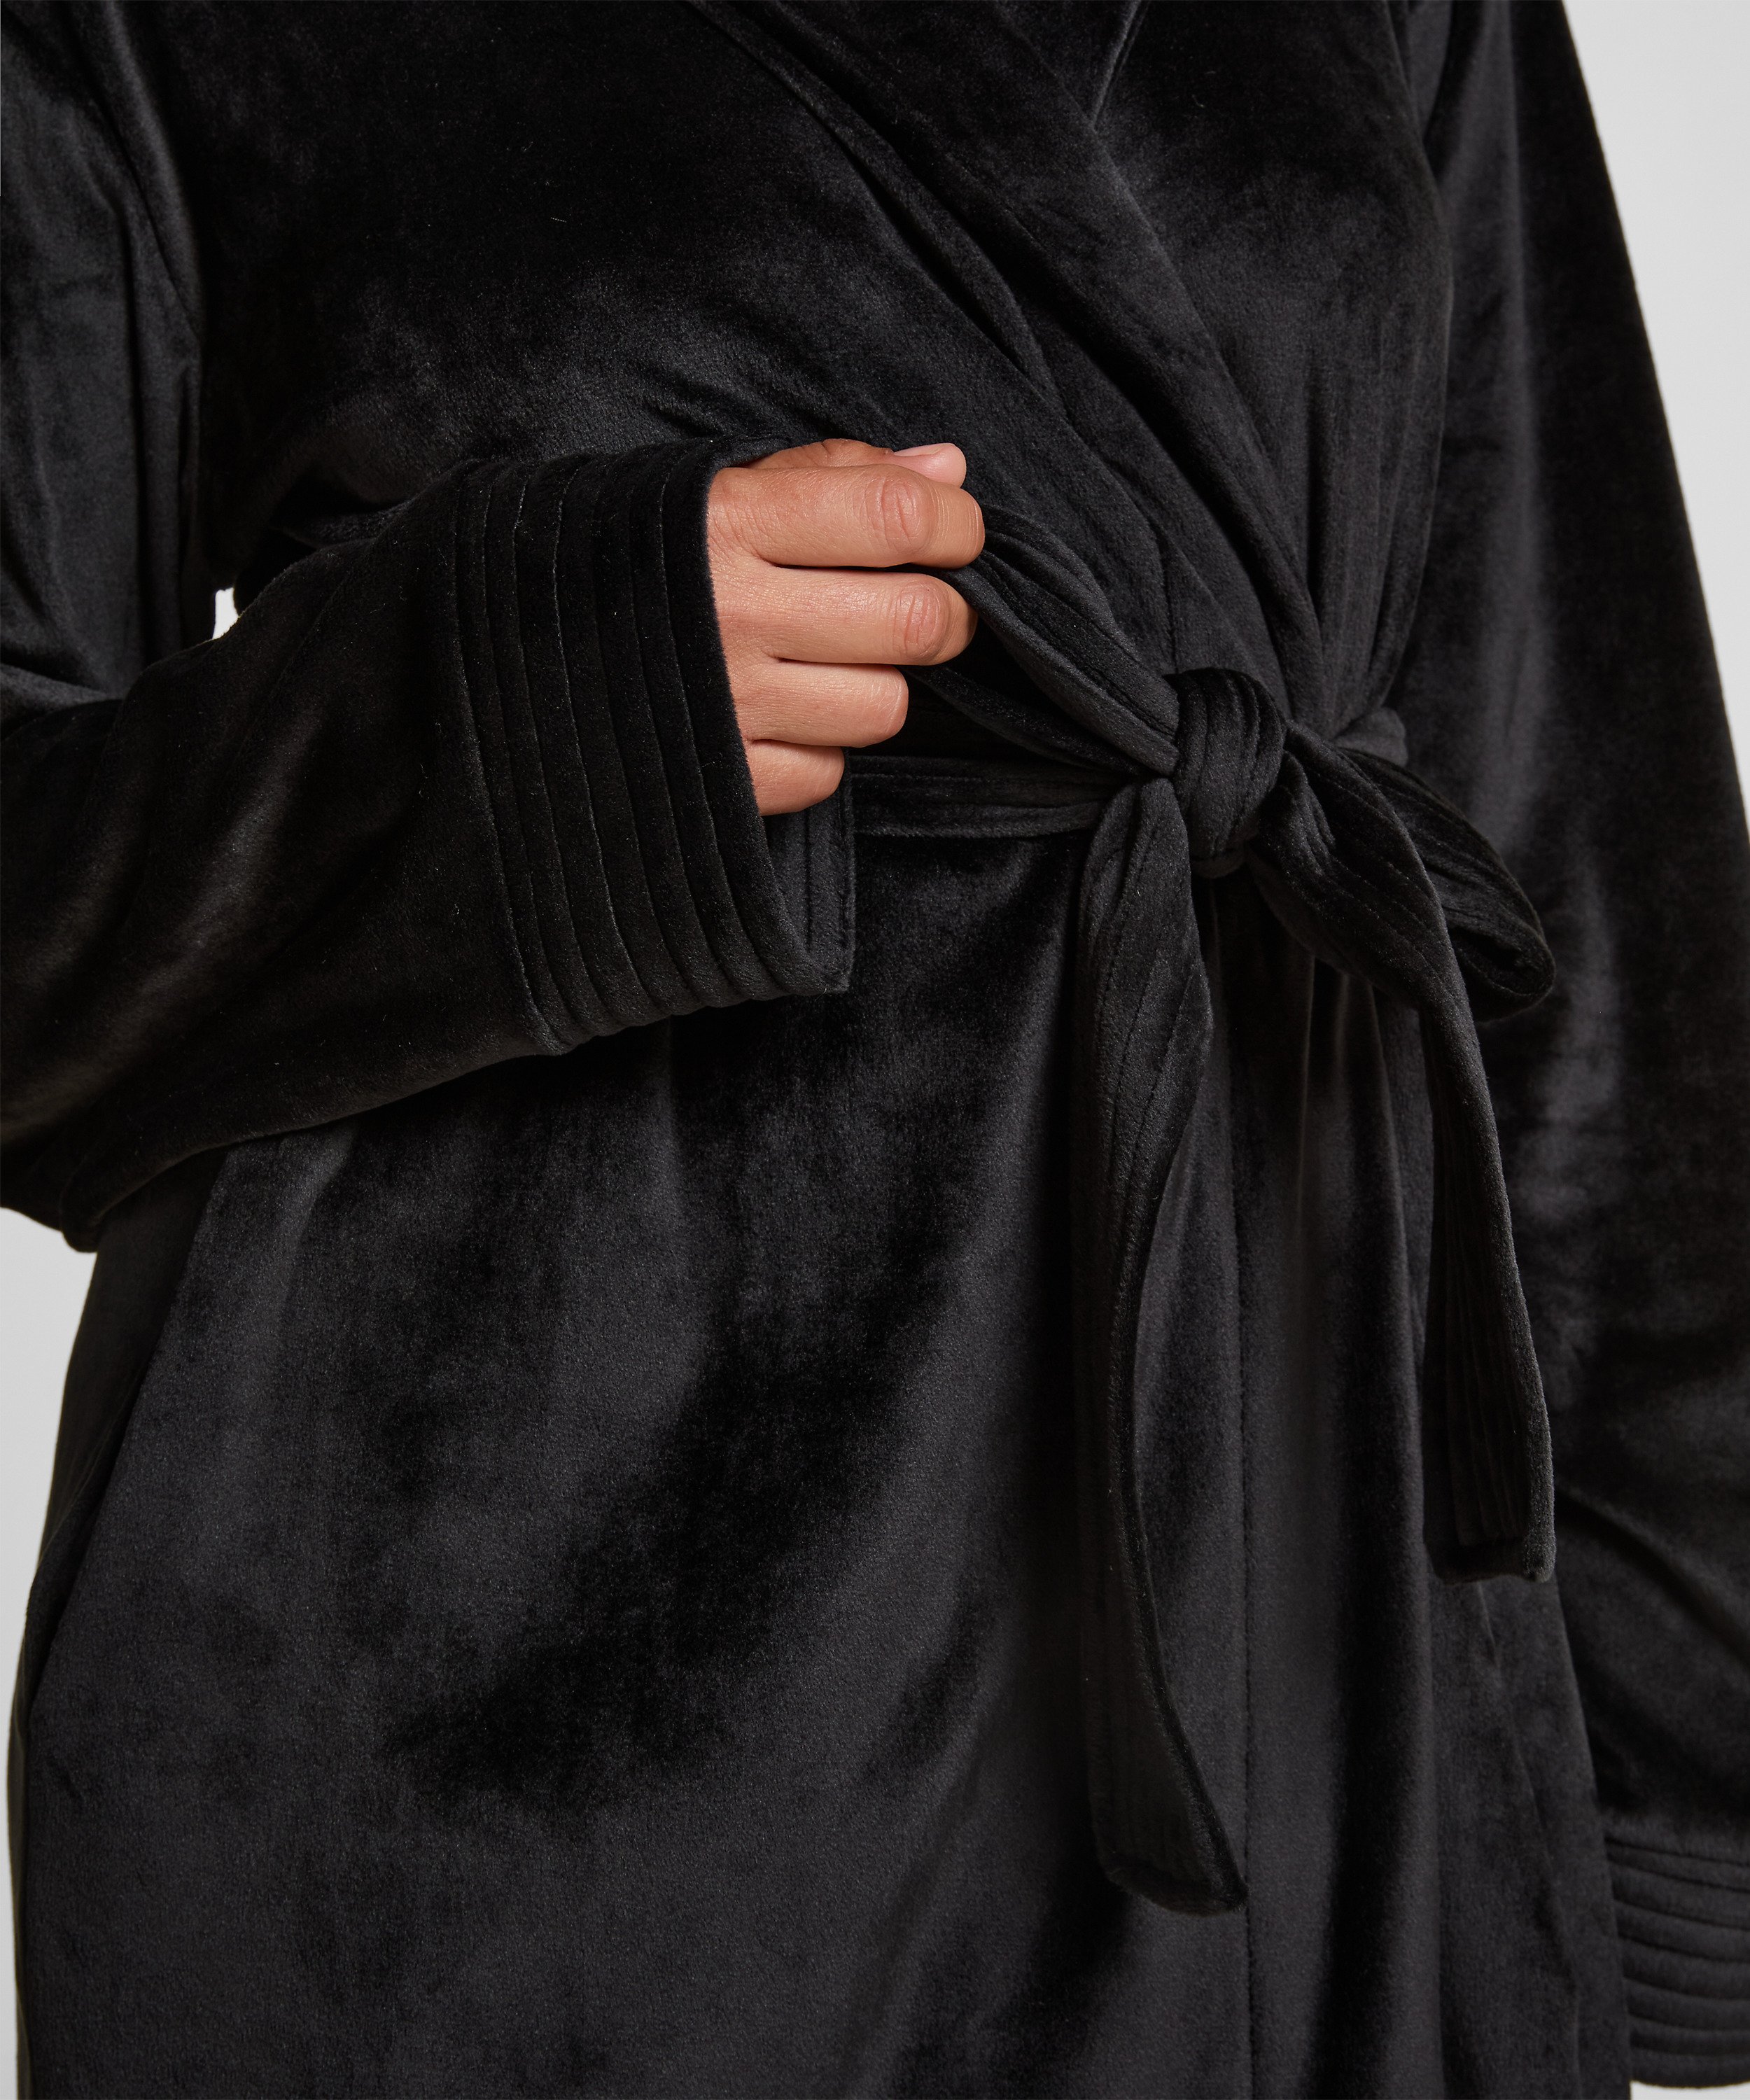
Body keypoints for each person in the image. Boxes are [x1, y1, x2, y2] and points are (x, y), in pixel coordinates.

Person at [4, 4, 1746, 2094]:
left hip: (1314, 1620)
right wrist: (518, 708)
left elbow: (1568, 792)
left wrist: (1678, 1745)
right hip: (502, 1753)